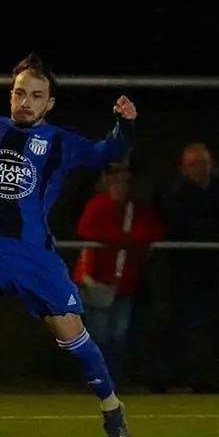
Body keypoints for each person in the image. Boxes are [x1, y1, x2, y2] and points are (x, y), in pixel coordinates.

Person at [0, 54, 137, 437]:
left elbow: (107, 152)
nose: (25, 101)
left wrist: (125, 124)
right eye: (19, 93)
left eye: (36, 95)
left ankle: (112, 409)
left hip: (34, 253)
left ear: (49, 103)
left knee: (72, 335)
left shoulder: (61, 142)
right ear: (11, 95)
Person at [73, 163, 164, 386]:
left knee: (119, 334)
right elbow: (86, 229)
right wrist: (123, 239)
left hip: (125, 281)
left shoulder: (136, 209)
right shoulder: (98, 205)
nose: (121, 186)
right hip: (97, 280)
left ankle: (113, 379)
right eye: (117, 181)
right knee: (99, 334)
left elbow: (154, 230)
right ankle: (97, 378)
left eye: (125, 182)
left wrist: (126, 240)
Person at [161, 143, 219, 393]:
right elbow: (174, 225)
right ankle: (188, 376)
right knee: (187, 323)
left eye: (202, 163)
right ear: (183, 168)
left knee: (212, 323)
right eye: (193, 164)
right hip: (185, 269)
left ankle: (209, 377)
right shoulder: (175, 192)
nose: (198, 169)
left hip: (216, 268)